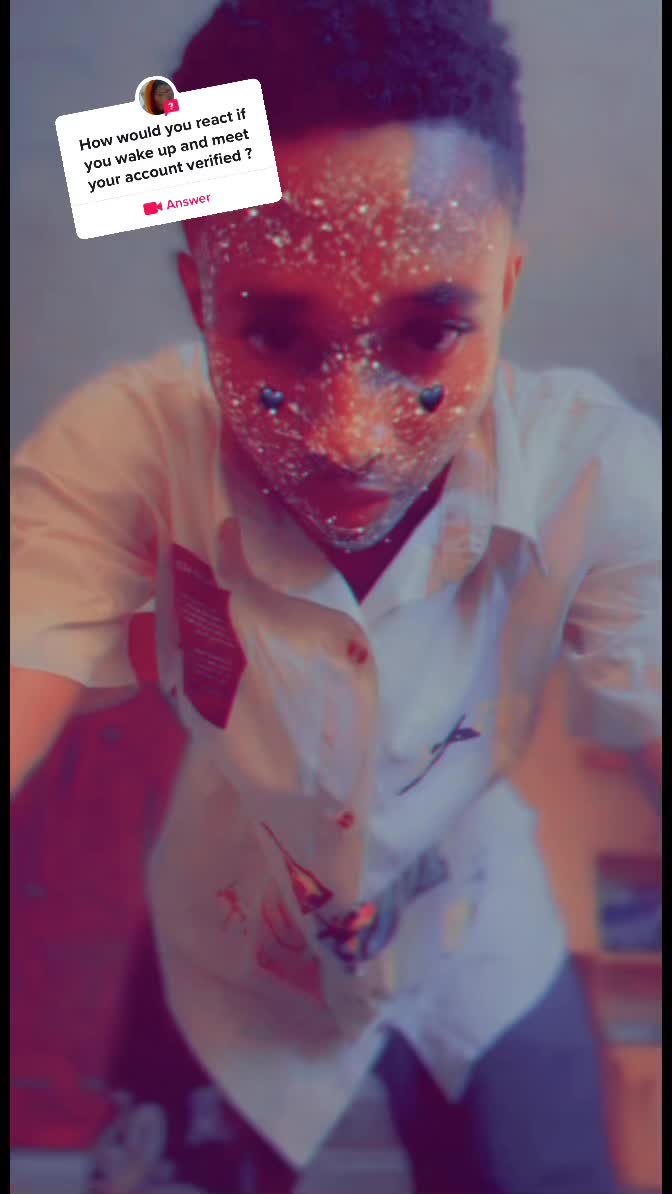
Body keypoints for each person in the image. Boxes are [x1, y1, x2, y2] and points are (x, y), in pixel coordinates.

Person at [10, 1, 661, 1191]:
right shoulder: (127, 447)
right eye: (276, 334)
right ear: (200, 303)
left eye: (430, 331)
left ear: (508, 291)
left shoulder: (597, 471)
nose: (350, 438)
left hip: (477, 934)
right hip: (226, 931)